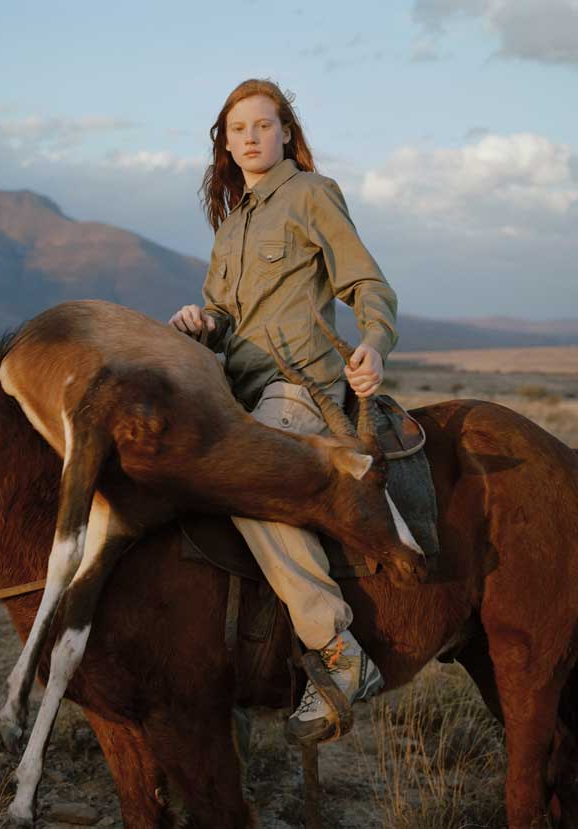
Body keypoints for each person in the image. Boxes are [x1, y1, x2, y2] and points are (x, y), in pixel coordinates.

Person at [169, 78, 401, 745]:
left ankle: (339, 652)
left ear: (286, 133)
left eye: (263, 125)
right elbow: (225, 316)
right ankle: (230, 683)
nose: (250, 137)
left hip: (300, 390)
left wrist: (374, 344)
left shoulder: (311, 195)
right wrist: (199, 320)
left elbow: (368, 284)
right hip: (239, 396)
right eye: (237, 128)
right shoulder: (232, 224)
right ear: (226, 141)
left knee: (246, 484)